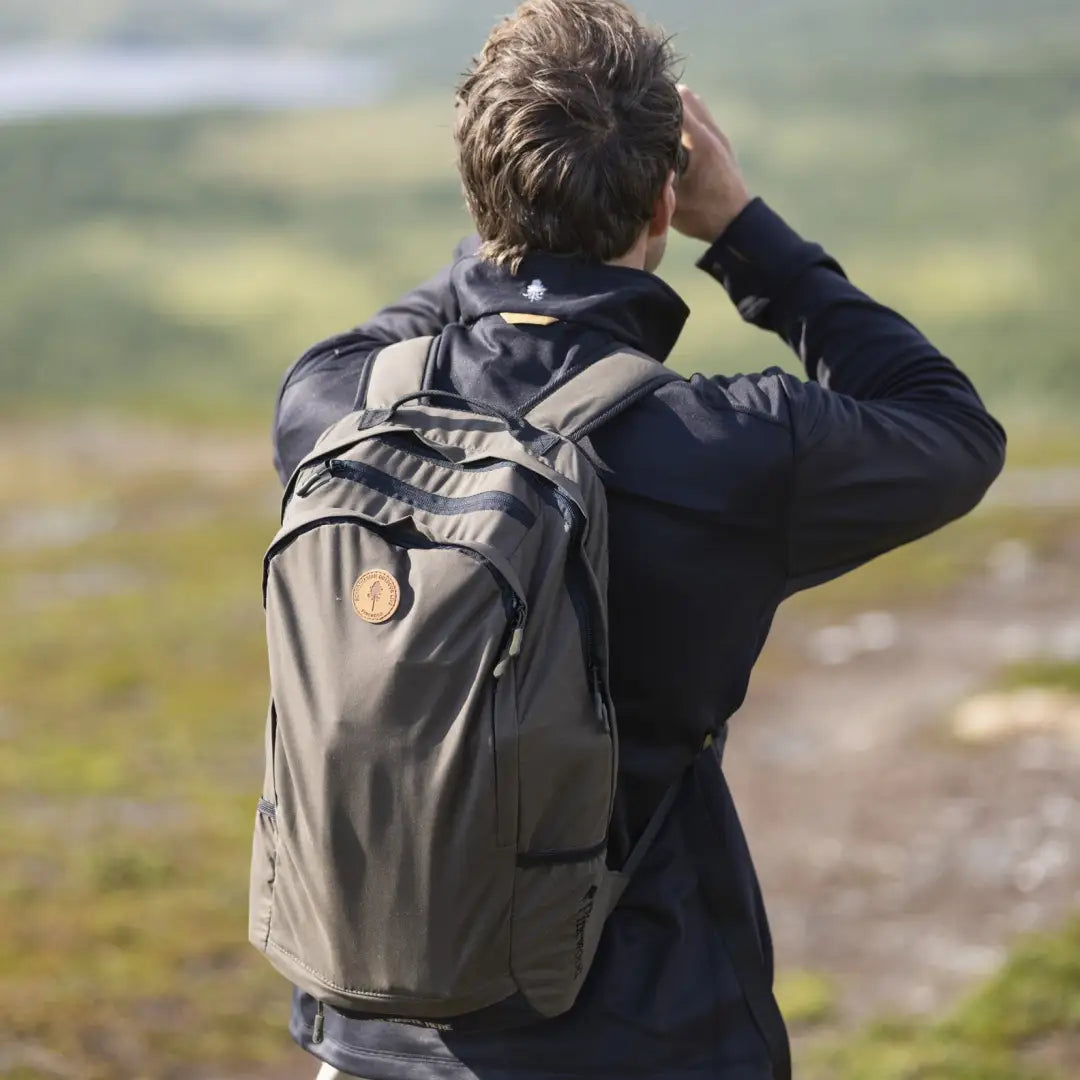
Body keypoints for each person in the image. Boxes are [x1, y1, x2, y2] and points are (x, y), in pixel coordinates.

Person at [272, 1, 1006, 1077]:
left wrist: (509, 220)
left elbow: (403, 328)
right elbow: (950, 428)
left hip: (368, 1036)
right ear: (668, 196)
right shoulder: (729, 448)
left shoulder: (334, 408)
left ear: (480, 188)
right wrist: (750, 232)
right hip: (644, 1036)